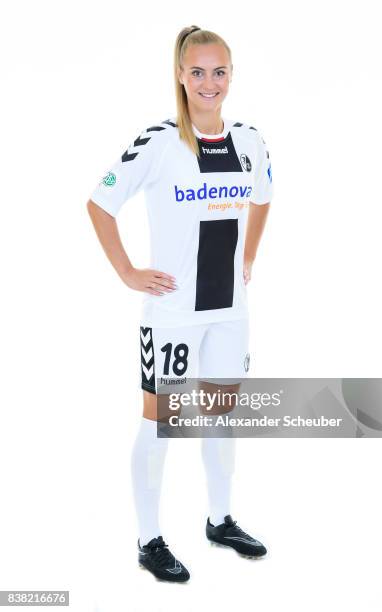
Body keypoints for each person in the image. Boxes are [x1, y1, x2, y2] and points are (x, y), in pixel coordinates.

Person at [87, 25, 272, 583]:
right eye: (198, 72)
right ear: (180, 74)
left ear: (231, 74)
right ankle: (149, 541)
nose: (209, 83)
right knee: (162, 423)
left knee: (220, 420)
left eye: (219, 71)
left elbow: (263, 196)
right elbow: (99, 203)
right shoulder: (160, 141)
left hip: (228, 312)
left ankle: (220, 521)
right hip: (172, 312)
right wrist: (127, 272)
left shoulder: (251, 141)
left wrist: (249, 258)